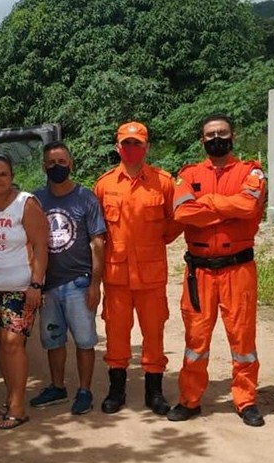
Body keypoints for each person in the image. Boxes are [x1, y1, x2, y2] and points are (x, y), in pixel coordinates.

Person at [169, 114, 266, 427]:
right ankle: (190, 400)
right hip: (199, 273)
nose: (216, 139)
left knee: (242, 341)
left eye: (222, 133)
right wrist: (226, 207)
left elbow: (249, 206)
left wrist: (206, 202)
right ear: (202, 140)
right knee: (196, 341)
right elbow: (183, 211)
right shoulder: (188, 173)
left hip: (238, 269)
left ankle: (246, 400)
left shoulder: (251, 171)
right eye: (210, 134)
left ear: (232, 135)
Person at [93, 122, 182, 415]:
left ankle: (154, 392)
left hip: (151, 277)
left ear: (147, 147)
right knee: (117, 335)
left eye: (137, 144)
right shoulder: (105, 184)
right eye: (126, 144)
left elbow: (174, 223)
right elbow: (97, 231)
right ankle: (116, 391)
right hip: (116, 276)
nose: (131, 149)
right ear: (118, 147)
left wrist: (151, 246)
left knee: (153, 333)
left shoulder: (164, 182)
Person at [0, 153, 48, 429]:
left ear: (12, 176)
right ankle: (10, 395)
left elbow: (41, 245)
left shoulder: (25, 204)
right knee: (2, 344)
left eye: (3, 174)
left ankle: (18, 405)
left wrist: (37, 283)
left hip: (19, 287)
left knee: (14, 343)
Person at [29, 142, 105, 415]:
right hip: (48, 284)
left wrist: (96, 284)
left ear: (71, 164)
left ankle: (84, 390)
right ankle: (57, 387)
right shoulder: (36, 200)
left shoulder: (86, 198)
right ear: (43, 166)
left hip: (78, 282)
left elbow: (98, 242)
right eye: (51, 163)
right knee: (54, 340)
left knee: (84, 341)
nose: (56, 167)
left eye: (62, 162)